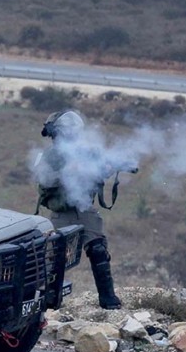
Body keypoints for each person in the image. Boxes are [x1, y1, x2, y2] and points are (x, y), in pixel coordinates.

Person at [33, 110, 123, 310]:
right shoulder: (48, 156)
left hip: (83, 209)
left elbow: (94, 175)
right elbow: (43, 180)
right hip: (61, 213)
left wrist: (104, 172)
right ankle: (49, 303)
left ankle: (108, 299)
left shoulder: (86, 152)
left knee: (98, 249)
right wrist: (67, 173)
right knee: (54, 259)